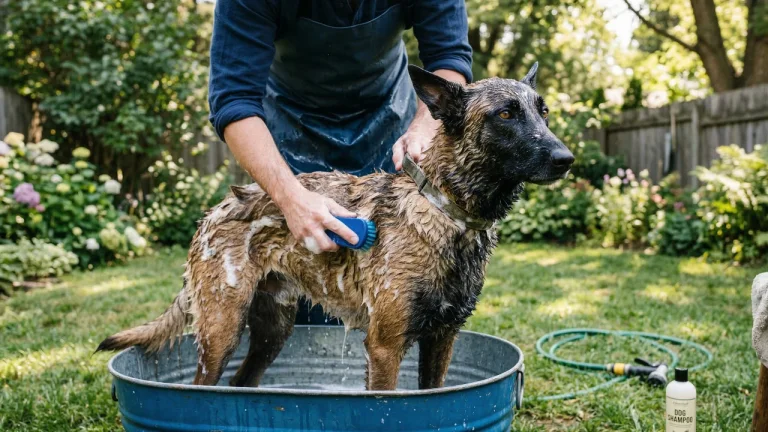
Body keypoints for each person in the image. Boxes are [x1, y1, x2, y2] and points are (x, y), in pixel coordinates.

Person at [208, 0, 472, 324]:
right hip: (292, 133)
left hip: (389, 124)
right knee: (296, 313)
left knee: (398, 310)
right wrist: (290, 199)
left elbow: (449, 57)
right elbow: (233, 100)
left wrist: (424, 125)